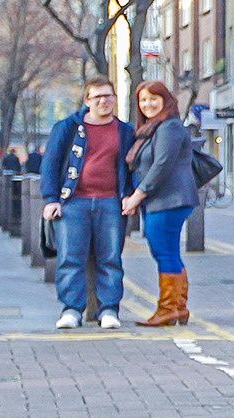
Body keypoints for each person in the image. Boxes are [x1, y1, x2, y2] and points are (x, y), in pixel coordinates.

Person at [41, 77, 136, 330]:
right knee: (70, 258)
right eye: (98, 97)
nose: (104, 101)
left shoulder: (125, 131)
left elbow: (131, 167)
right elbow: (50, 164)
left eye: (108, 96)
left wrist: (129, 193)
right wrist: (51, 199)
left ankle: (109, 310)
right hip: (73, 202)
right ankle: (71, 309)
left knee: (111, 259)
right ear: (87, 101)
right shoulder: (68, 128)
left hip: (110, 203)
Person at [122, 80, 198, 327]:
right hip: (162, 200)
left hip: (168, 200)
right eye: (143, 100)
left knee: (163, 251)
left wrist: (137, 196)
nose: (148, 104)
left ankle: (168, 309)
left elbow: (161, 166)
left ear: (166, 100)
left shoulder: (169, 127)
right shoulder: (152, 129)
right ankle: (178, 307)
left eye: (153, 98)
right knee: (166, 251)